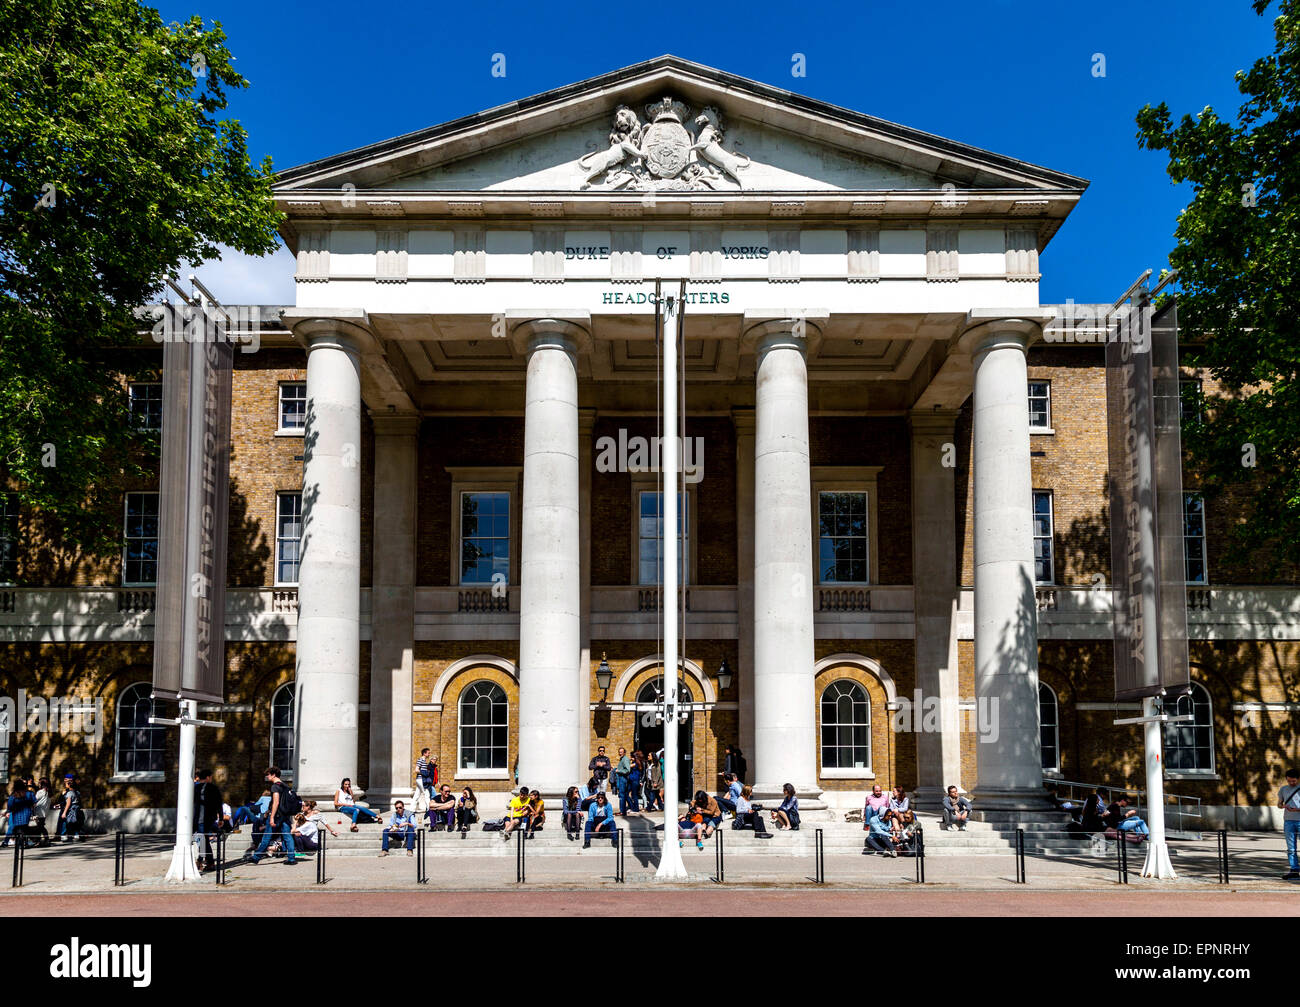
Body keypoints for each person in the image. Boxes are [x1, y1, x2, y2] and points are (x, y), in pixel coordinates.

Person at [247, 767, 299, 865]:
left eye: (268, 774)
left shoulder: (275, 786)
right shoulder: (285, 786)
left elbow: (276, 802)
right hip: (285, 815)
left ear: (274, 775)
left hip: (276, 815)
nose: (267, 776)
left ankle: (256, 857)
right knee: (287, 836)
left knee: (266, 837)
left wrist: (271, 817)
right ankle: (291, 858)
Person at [194, 768, 223, 872]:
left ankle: (202, 861)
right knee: (204, 839)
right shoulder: (213, 788)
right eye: (211, 777)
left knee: (203, 839)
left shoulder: (195, 788)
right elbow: (219, 803)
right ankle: (207, 862)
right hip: (207, 818)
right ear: (207, 777)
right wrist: (221, 818)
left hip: (199, 818)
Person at [1277, 769, 1300, 880]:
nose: (1291, 783)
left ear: (1298, 779)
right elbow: (1279, 804)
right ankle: (1294, 870)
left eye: (1294, 781)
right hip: (1288, 821)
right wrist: (1283, 806)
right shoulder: (1283, 789)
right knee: (1291, 848)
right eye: (1289, 781)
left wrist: (1297, 810)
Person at [2, 779, 34, 849]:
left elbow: (10, 805)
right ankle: (23, 843)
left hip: (17, 815)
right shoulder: (29, 793)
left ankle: (19, 844)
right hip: (26, 814)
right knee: (24, 829)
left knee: (16, 829)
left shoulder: (14, 795)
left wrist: (8, 811)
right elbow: (33, 802)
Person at [56, 774, 82, 842]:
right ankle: (76, 835)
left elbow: (68, 803)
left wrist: (64, 812)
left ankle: (64, 835)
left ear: (70, 783)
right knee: (75, 822)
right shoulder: (77, 792)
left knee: (66, 821)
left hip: (70, 809)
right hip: (76, 808)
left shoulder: (69, 793)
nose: (65, 783)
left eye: (66, 782)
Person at [613, 747, 631, 814]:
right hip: (621, 778)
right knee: (623, 795)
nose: (620, 753)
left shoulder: (625, 759)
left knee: (622, 795)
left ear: (624, 752)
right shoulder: (622, 759)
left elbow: (628, 770)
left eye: (621, 752)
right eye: (619, 752)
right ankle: (623, 810)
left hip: (623, 778)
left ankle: (622, 811)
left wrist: (618, 770)